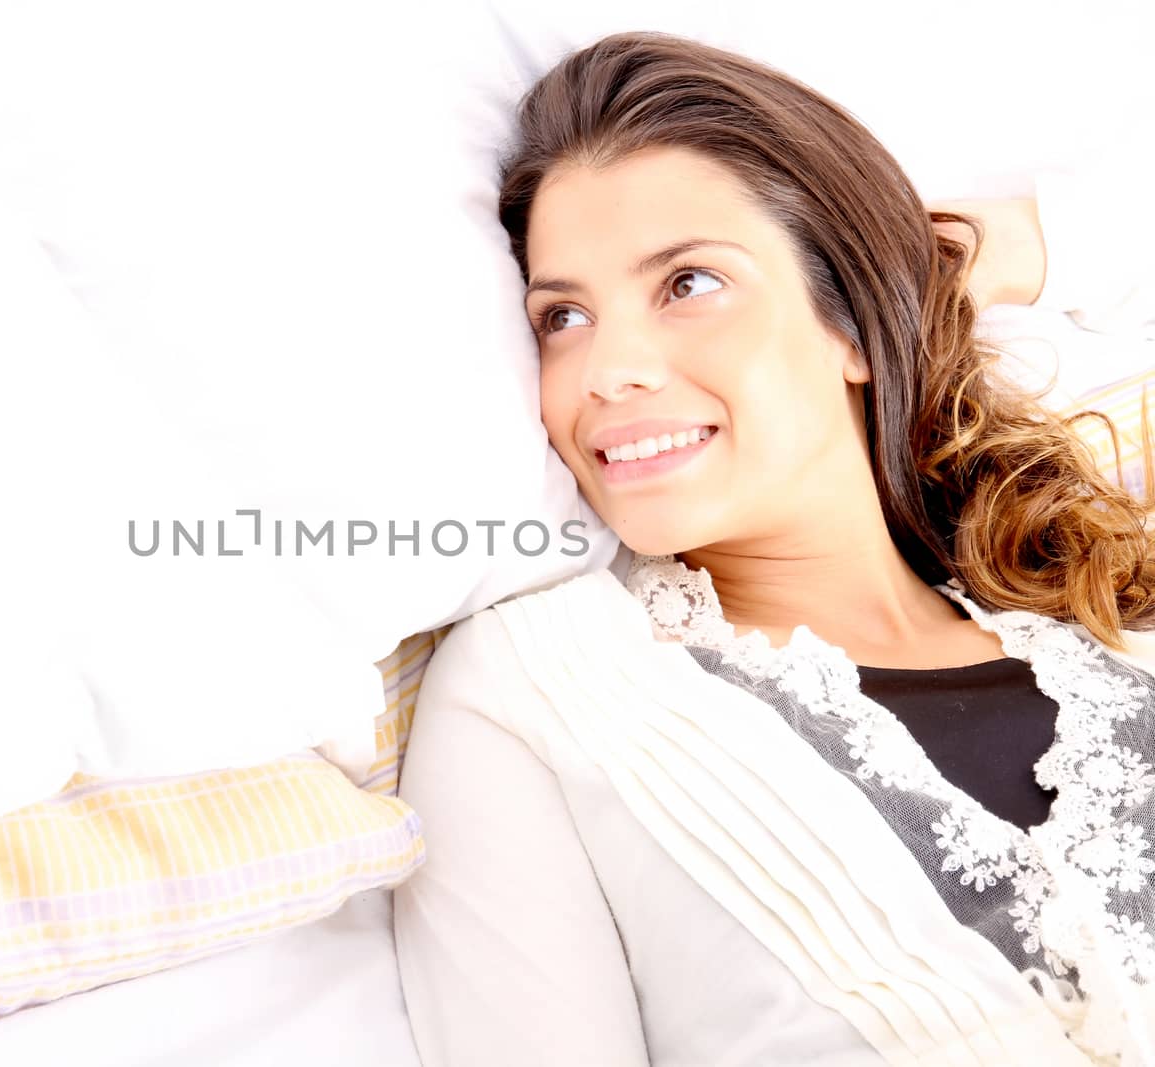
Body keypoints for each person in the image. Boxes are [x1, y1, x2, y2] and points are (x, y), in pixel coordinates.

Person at [393, 31, 1155, 1066]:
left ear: (849, 321)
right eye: (561, 315)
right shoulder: (531, 689)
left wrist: (987, 255)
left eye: (688, 284)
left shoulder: (1110, 612)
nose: (607, 370)